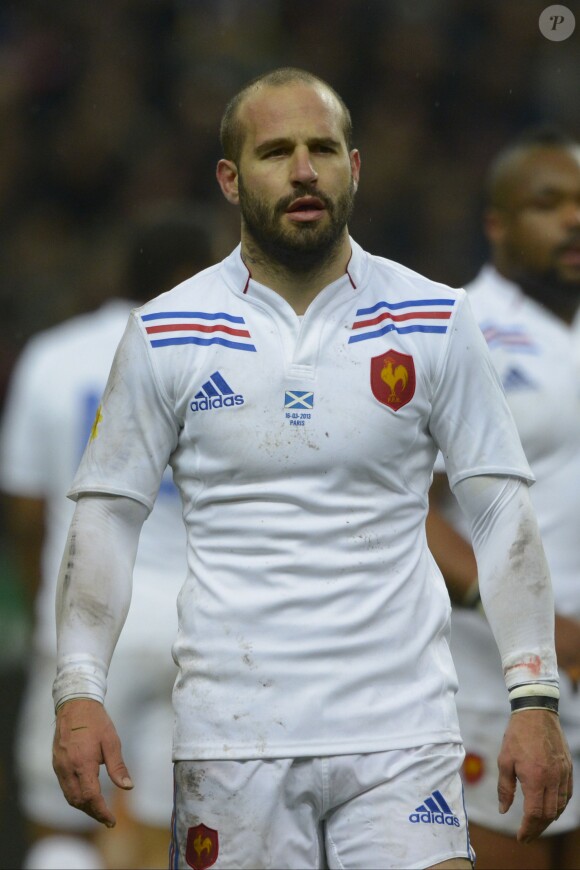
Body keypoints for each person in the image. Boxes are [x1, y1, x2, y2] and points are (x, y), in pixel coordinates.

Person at [51, 68, 571, 870]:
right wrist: (79, 694)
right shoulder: (167, 331)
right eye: (276, 152)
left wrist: (534, 698)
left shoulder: (435, 318)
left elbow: (500, 511)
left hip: (403, 731)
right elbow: (106, 520)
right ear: (230, 179)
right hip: (233, 737)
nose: (303, 170)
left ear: (353, 168)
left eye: (323, 149)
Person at [0, 205, 214, 869]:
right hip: (195, 622)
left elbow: (27, 511)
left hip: (92, 622)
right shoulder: (218, 360)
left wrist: (52, 608)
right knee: (162, 833)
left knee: (61, 829)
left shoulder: (54, 357)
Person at [426, 126, 580, 870]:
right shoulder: (460, 331)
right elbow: (404, 509)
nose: (574, 219)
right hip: (494, 689)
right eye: (548, 203)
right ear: (497, 223)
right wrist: (528, 622)